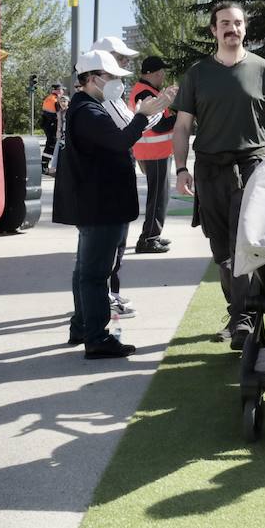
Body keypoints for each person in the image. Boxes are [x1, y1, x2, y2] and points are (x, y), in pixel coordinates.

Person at [172, 3, 265, 351]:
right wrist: (180, 168)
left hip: (253, 167)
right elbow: (182, 126)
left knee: (244, 247)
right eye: (224, 24)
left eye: (237, 23)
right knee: (222, 251)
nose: (231, 29)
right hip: (209, 170)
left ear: (245, 29)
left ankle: (244, 321)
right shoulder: (197, 74)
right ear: (213, 30)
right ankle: (240, 313)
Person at [54, 50, 175, 359]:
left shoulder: (87, 108)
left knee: (87, 270)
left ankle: (82, 327)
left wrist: (148, 112)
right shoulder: (88, 111)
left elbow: (120, 137)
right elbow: (121, 141)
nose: (117, 83)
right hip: (101, 204)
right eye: (112, 77)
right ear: (93, 79)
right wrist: (141, 114)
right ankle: (96, 337)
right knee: (95, 274)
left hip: (98, 204)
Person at [91, 35, 142, 317]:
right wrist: (150, 113)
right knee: (109, 247)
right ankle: (105, 299)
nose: (124, 64)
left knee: (114, 246)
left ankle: (109, 295)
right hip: (107, 184)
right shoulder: (104, 101)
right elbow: (130, 129)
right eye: (118, 59)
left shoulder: (107, 98)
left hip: (112, 179)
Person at [129, 56, 176, 254]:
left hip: (156, 152)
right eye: (161, 72)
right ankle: (148, 238)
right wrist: (182, 116)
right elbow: (159, 126)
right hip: (153, 153)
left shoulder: (148, 91)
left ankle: (152, 235)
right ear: (154, 73)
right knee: (157, 196)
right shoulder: (145, 93)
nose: (163, 75)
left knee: (160, 196)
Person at [40, 84, 62, 170]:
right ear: (58, 90)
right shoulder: (56, 100)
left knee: (49, 143)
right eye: (61, 90)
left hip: (46, 124)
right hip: (53, 124)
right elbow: (58, 114)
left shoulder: (48, 98)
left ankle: (44, 164)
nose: (62, 91)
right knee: (51, 145)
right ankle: (45, 165)